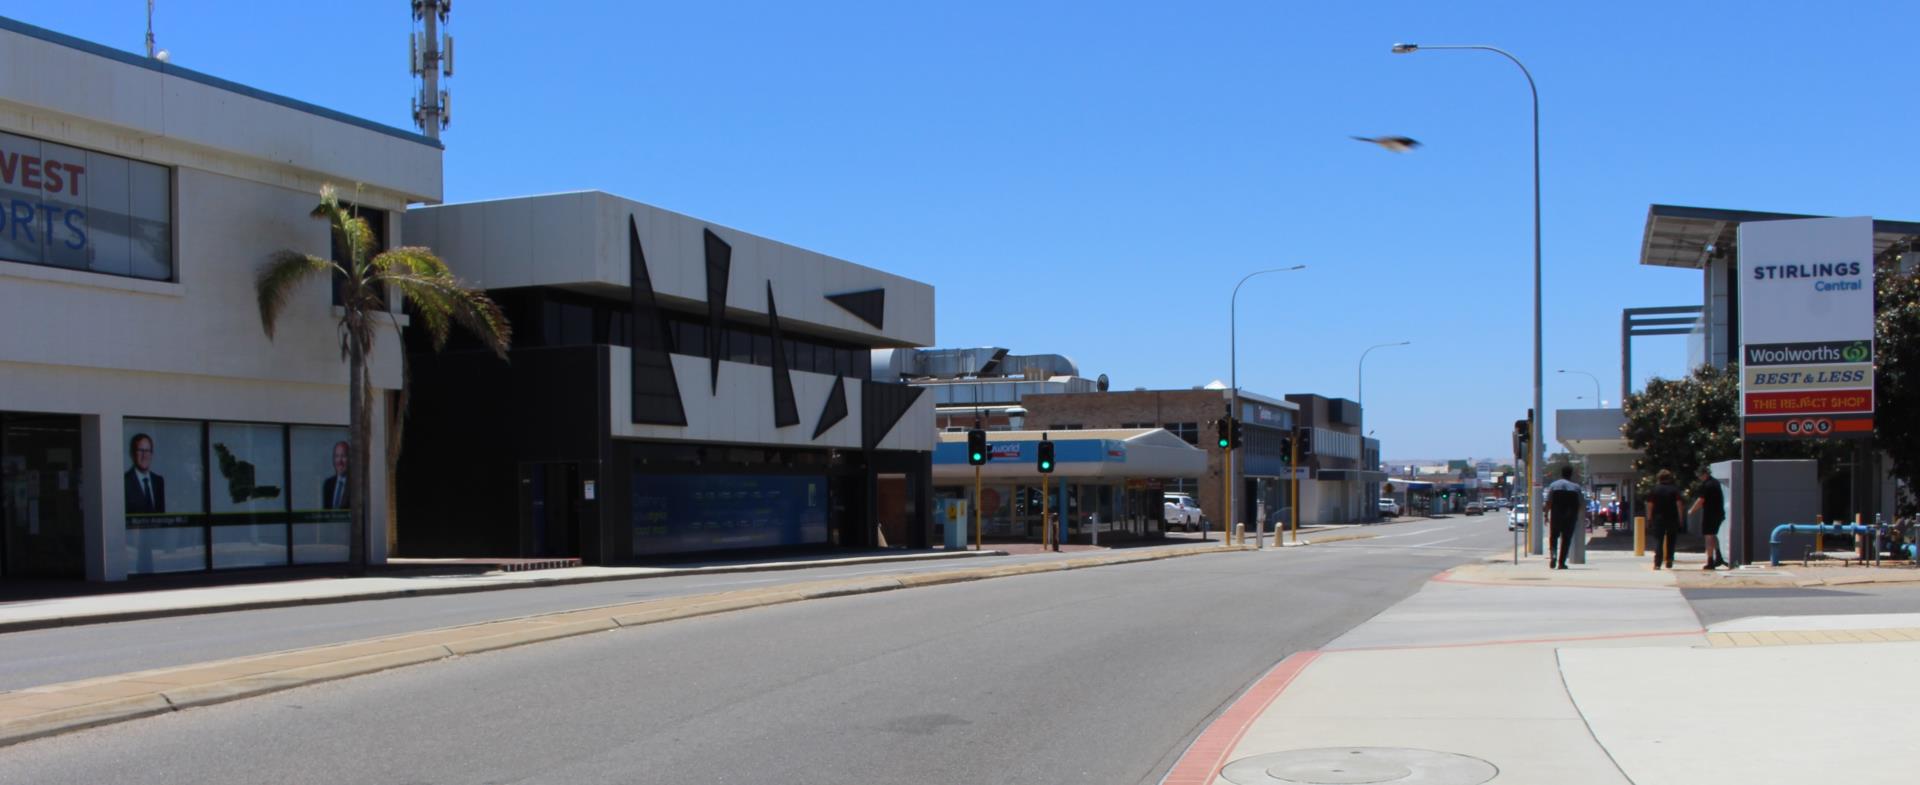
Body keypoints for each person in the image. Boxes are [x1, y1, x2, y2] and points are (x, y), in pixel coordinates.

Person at [1689, 467, 1729, 570]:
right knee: (1713, 535)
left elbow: (1701, 500)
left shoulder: (1707, 485)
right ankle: (1718, 556)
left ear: (1705, 474)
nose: (1699, 477)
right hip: (1718, 513)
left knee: (1709, 537)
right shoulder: (1715, 482)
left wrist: (1691, 511)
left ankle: (1710, 561)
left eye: (1700, 475)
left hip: (1710, 514)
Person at [1545, 466, 1585, 569]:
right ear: (1571, 474)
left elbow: (1549, 502)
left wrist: (1546, 514)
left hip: (1556, 516)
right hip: (1570, 517)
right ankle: (1561, 563)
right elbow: (1581, 504)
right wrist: (1578, 516)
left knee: (1553, 537)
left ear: (1561, 473)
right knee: (1566, 540)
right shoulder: (1576, 487)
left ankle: (1553, 556)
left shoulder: (1554, 485)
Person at [1645, 469, 1684, 569]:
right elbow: (1679, 504)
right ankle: (1669, 559)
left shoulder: (1654, 490)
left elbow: (1650, 505)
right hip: (1672, 518)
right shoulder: (1674, 490)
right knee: (1671, 539)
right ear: (1669, 478)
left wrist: (1649, 519)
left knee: (1659, 540)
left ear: (1659, 478)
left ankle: (1657, 563)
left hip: (1658, 518)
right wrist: (1680, 518)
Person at [123, 433, 166, 514]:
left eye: (147, 451)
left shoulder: (158, 481)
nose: (144, 455)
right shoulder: (124, 482)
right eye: (140, 450)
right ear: (132, 453)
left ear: (151, 454)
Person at [321, 440, 350, 510]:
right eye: (337, 456)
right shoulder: (327, 484)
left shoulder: (356, 486)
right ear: (333, 460)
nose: (339, 461)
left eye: (343, 456)